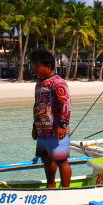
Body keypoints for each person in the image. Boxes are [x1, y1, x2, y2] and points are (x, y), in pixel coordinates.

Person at [30, 49, 72, 188]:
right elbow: (38, 106)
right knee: (46, 160)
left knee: (61, 161)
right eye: (34, 66)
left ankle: (66, 189)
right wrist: (35, 127)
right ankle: (51, 185)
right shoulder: (39, 84)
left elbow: (65, 104)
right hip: (42, 130)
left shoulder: (58, 83)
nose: (35, 69)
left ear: (48, 66)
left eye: (37, 66)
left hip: (56, 130)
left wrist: (62, 125)